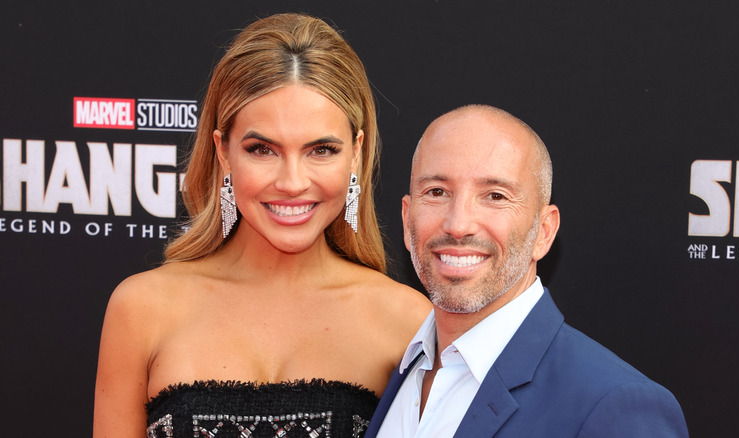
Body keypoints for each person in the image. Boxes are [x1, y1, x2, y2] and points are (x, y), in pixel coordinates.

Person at [93, 13, 430, 438]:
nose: (292, 182)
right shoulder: (141, 309)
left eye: (321, 150)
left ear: (357, 154)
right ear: (223, 152)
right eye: (262, 149)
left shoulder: (407, 321)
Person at [365, 105, 689, 438]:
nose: (458, 224)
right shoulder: (398, 373)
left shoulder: (614, 406)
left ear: (544, 232)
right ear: (407, 221)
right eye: (437, 192)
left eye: (495, 196)